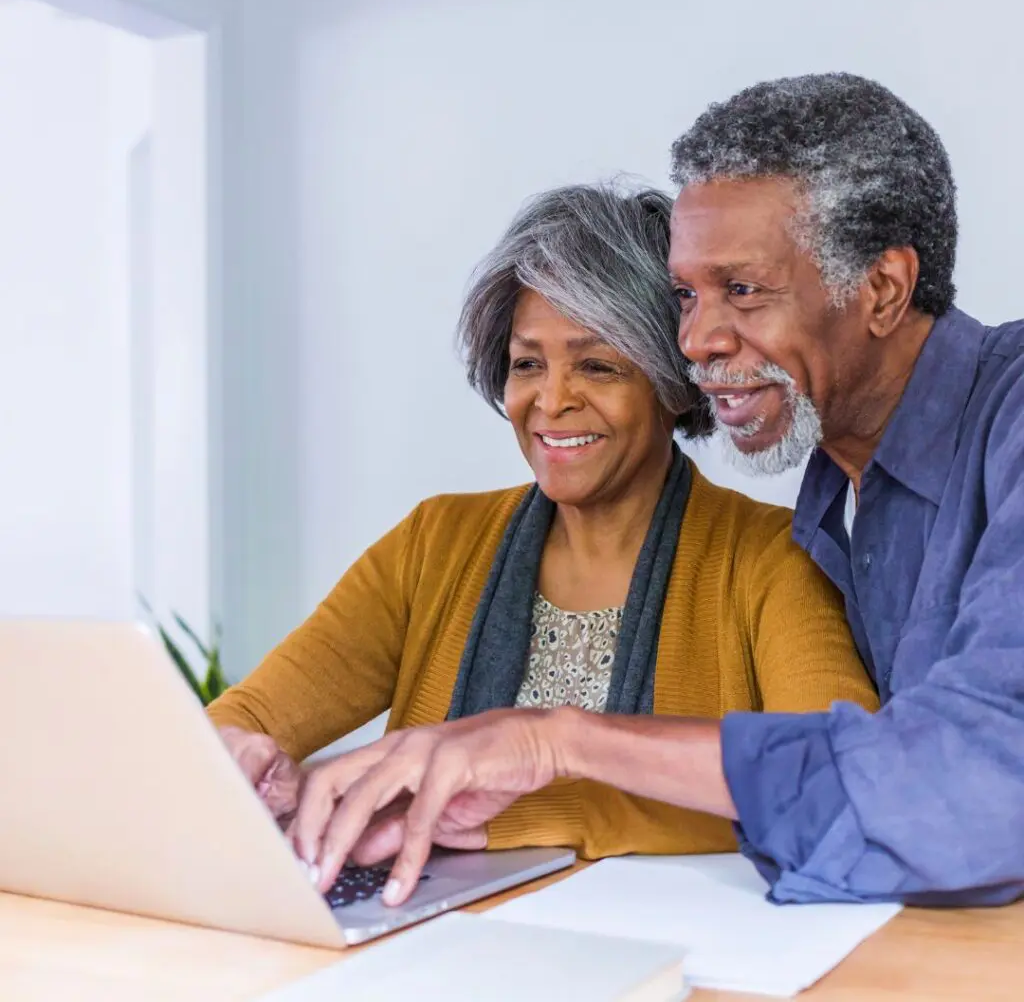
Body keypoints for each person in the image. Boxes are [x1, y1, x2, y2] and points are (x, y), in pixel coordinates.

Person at [291, 74, 1024, 911]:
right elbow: (866, 792)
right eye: (686, 296)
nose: (698, 340)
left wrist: (557, 743)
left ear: (883, 289)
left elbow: (979, 781)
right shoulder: (838, 495)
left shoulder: (1003, 427)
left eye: (743, 289)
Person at [208, 182, 876, 881]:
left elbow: (838, 786)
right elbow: (248, 717)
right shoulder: (434, 544)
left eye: (597, 365)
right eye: (528, 364)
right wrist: (244, 764)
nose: (551, 401)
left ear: (673, 382)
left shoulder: (773, 561)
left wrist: (491, 818)